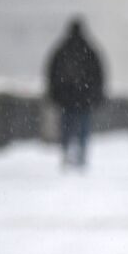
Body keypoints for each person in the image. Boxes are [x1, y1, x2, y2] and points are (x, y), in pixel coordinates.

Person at [44, 17, 106, 169]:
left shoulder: (61, 50)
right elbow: (99, 74)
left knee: (66, 124)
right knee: (83, 124)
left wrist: (54, 94)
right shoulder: (90, 50)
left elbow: (51, 73)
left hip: (66, 97)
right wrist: (96, 95)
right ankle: (82, 151)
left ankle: (66, 150)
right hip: (84, 98)